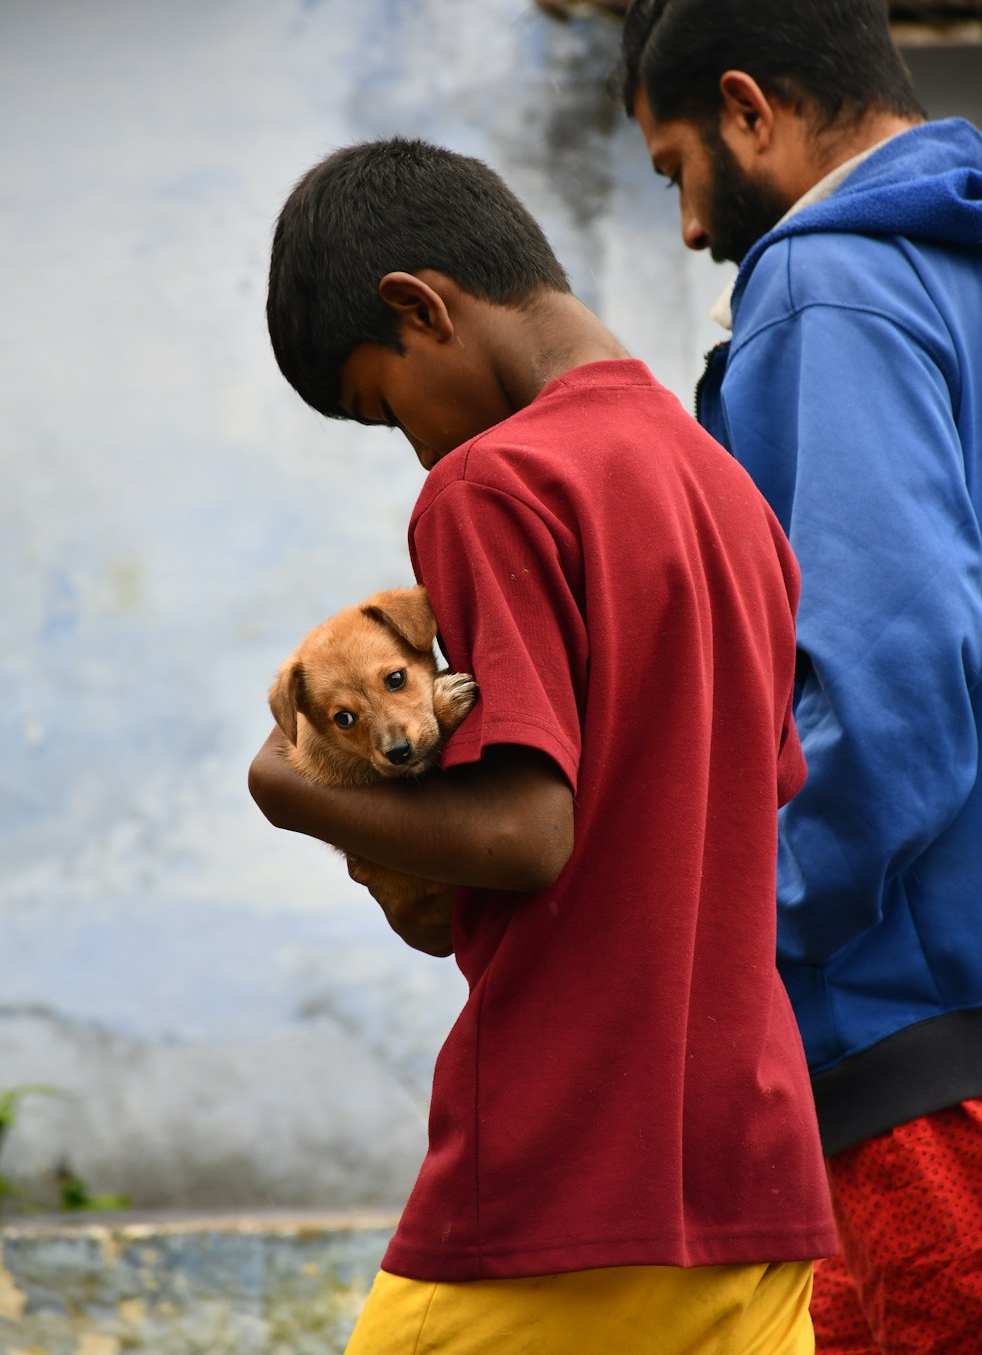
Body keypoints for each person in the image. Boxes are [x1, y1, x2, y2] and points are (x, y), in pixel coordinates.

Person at [249, 136, 836, 1354]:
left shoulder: (490, 485)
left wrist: (293, 794)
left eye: (383, 404)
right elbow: (757, 790)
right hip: (755, 1169)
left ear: (419, 307)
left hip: (568, 1169)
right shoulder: (728, 495)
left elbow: (526, 835)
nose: (411, 446)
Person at [620, 0, 982, 1354]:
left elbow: (894, 682)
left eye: (676, 173)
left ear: (747, 111)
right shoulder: (975, 259)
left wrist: (726, 939)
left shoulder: (828, 280)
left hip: (919, 1061)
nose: (692, 228)